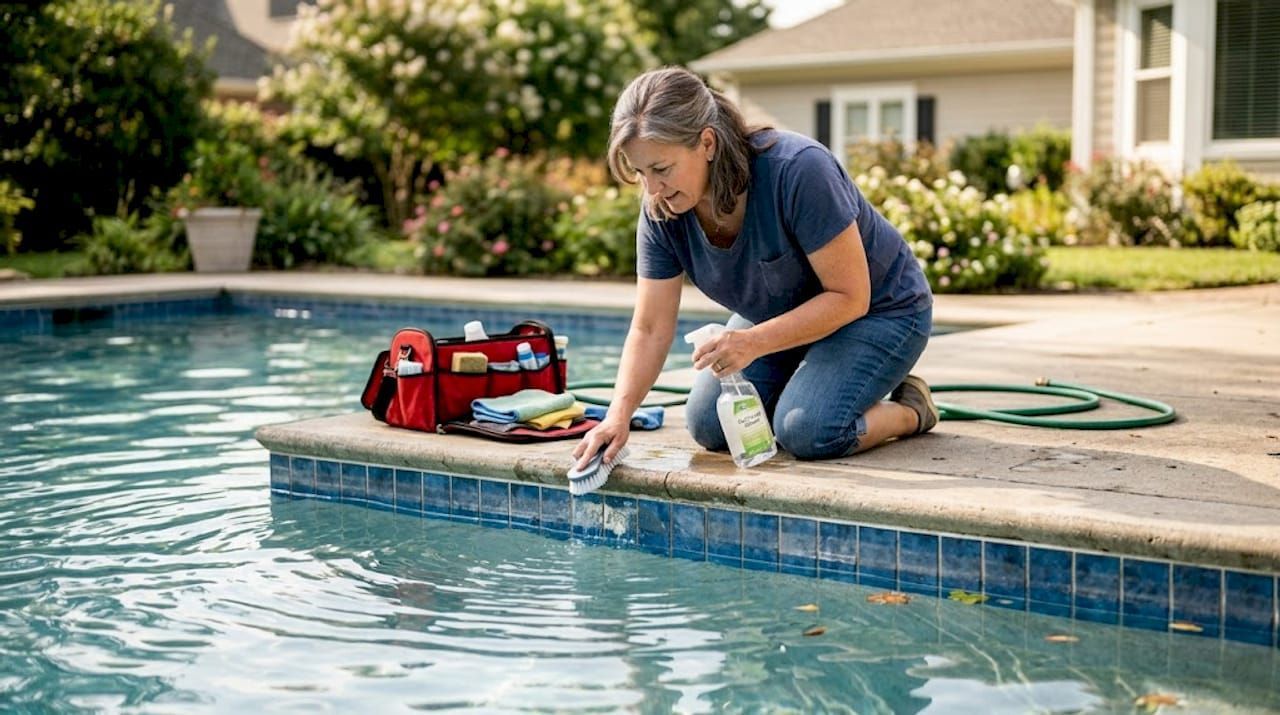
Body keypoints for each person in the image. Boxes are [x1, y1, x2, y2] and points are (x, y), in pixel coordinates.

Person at [572, 66, 937, 471]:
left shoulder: (799, 169)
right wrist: (617, 416)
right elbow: (651, 327)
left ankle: (911, 410)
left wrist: (753, 342)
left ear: (707, 143)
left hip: (881, 310)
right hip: (779, 314)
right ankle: (818, 385)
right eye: (640, 173)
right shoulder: (662, 208)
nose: (652, 189)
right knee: (710, 424)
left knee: (807, 429)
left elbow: (850, 296)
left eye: (661, 169)